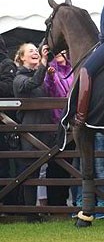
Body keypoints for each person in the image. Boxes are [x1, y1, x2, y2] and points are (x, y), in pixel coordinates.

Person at [13, 42, 53, 221]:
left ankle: (41, 210)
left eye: (36, 51)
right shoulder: (19, 78)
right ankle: (30, 213)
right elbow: (33, 83)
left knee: (43, 171)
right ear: (22, 57)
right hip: (29, 131)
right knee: (29, 171)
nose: (35, 53)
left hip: (45, 129)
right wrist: (44, 62)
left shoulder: (40, 76)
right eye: (31, 51)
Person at [44, 51, 74, 206]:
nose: (60, 53)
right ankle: (56, 204)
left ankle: (72, 204)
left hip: (73, 124)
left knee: (71, 165)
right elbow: (47, 89)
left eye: (63, 51)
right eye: (56, 52)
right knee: (56, 164)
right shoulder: (50, 69)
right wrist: (49, 76)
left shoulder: (73, 69)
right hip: (56, 123)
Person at [0, 34, 18, 206]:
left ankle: (8, 204)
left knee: (4, 165)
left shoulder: (6, 64)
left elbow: (8, 89)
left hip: (4, 123)